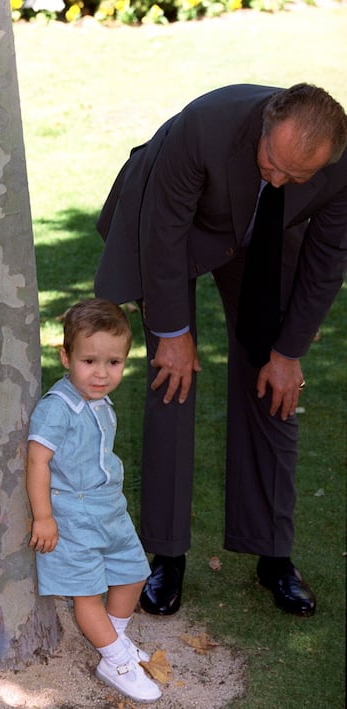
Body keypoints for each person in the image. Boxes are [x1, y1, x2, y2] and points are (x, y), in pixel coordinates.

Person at [94, 83, 347, 618]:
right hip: (177, 224)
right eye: (271, 162)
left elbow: (326, 262)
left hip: (263, 237)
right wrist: (172, 334)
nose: (277, 178)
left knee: (274, 380)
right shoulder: (204, 128)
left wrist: (288, 351)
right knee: (173, 378)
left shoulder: (339, 170)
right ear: (263, 128)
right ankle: (166, 555)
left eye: (295, 176)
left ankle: (273, 555)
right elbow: (162, 233)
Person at [26, 298, 161, 704]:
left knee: (134, 572)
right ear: (66, 357)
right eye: (89, 361)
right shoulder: (58, 408)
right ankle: (116, 660)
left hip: (109, 509)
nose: (101, 374)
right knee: (86, 592)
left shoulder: (101, 402)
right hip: (73, 514)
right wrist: (44, 516)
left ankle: (113, 641)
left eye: (114, 363)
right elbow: (37, 459)